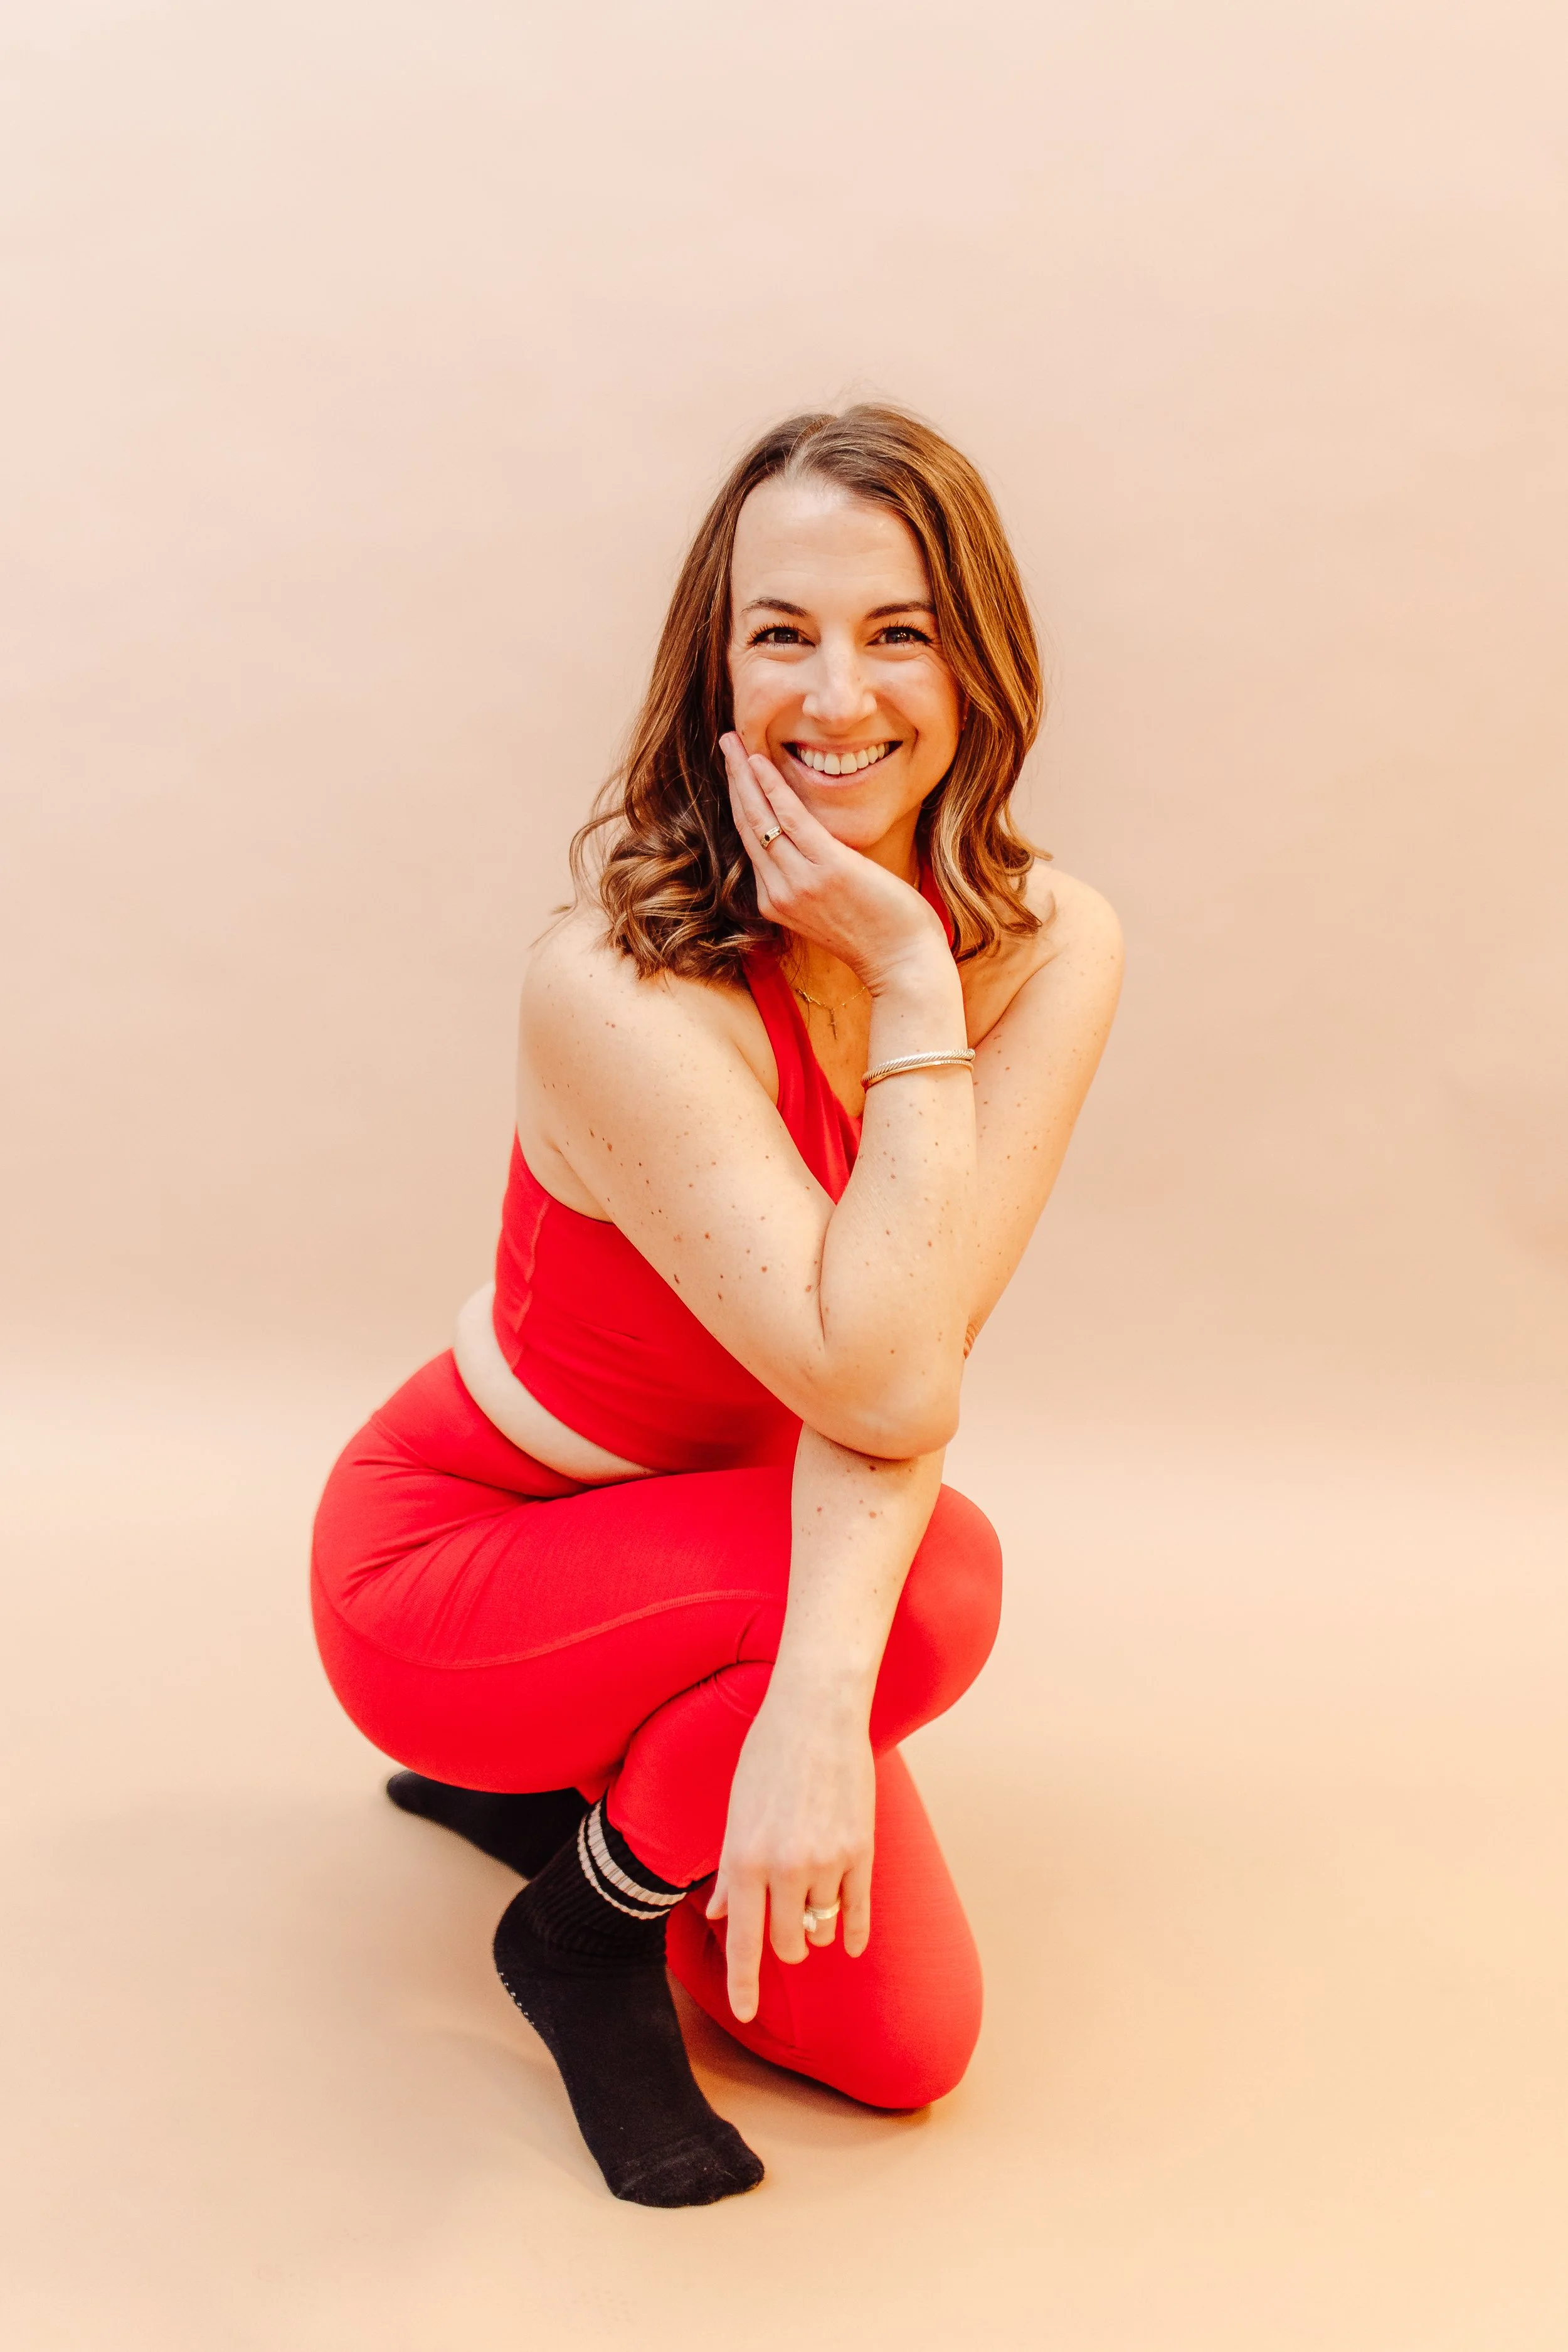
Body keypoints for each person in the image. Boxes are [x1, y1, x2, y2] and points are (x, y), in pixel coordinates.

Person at [310, 404, 1123, 2207]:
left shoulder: (1049, 940)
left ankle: (604, 1784)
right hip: (464, 1560)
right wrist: (913, 970)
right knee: (953, 1578)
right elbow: (888, 1376)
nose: (836, 695)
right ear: (713, 669)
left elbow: (902, 1367)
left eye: (896, 628)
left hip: (742, 1550)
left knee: (907, 2048)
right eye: (782, 633)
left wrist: (913, 956)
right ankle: (583, 1926)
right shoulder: (615, 987)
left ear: (977, 658)